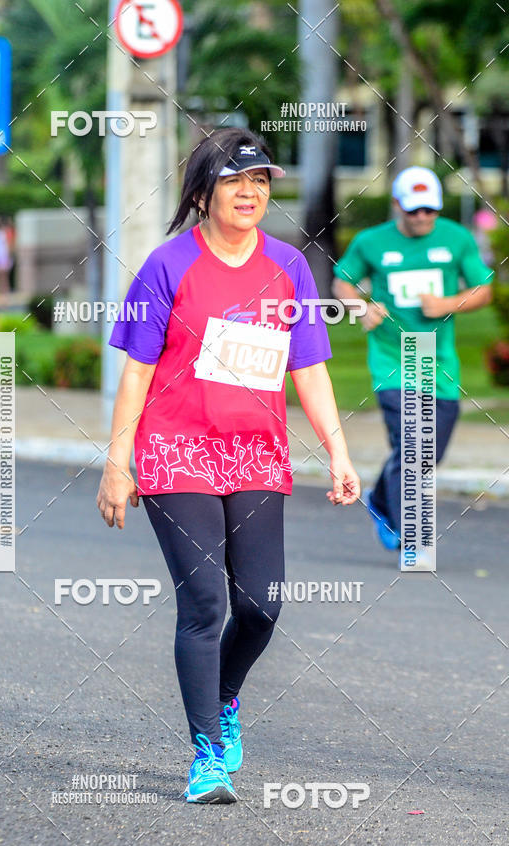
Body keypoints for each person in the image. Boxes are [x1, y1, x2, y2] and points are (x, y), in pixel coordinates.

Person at [97, 127, 360, 804]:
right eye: (235, 180)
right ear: (202, 193)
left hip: (255, 454)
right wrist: (117, 463)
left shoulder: (289, 266)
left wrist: (338, 450)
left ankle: (225, 694)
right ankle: (206, 754)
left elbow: (309, 367)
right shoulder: (167, 265)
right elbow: (137, 372)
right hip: (175, 450)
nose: (250, 192)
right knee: (206, 604)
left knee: (262, 604)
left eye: (260, 181)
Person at [332, 166, 493, 559]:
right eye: (414, 209)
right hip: (392, 360)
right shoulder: (371, 241)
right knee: (412, 448)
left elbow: (483, 289)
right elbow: (343, 282)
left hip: (440, 363)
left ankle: (379, 498)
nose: (422, 217)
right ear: (397, 205)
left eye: (429, 209)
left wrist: (448, 303)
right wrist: (360, 307)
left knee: (429, 453)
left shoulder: (456, 238)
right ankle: (411, 535)